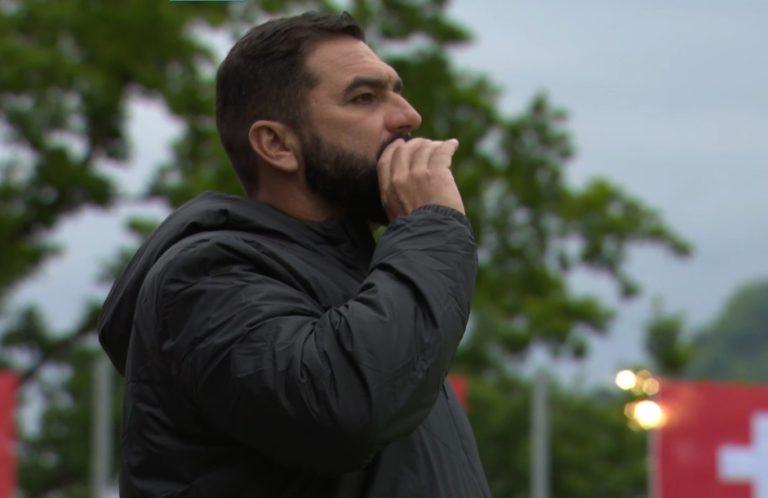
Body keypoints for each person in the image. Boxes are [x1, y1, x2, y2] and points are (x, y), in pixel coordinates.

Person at [98, 11, 491, 498]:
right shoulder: (203, 279)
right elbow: (347, 408)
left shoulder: (370, 284)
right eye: (364, 98)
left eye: (396, 90)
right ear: (278, 144)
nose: (408, 116)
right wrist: (431, 225)